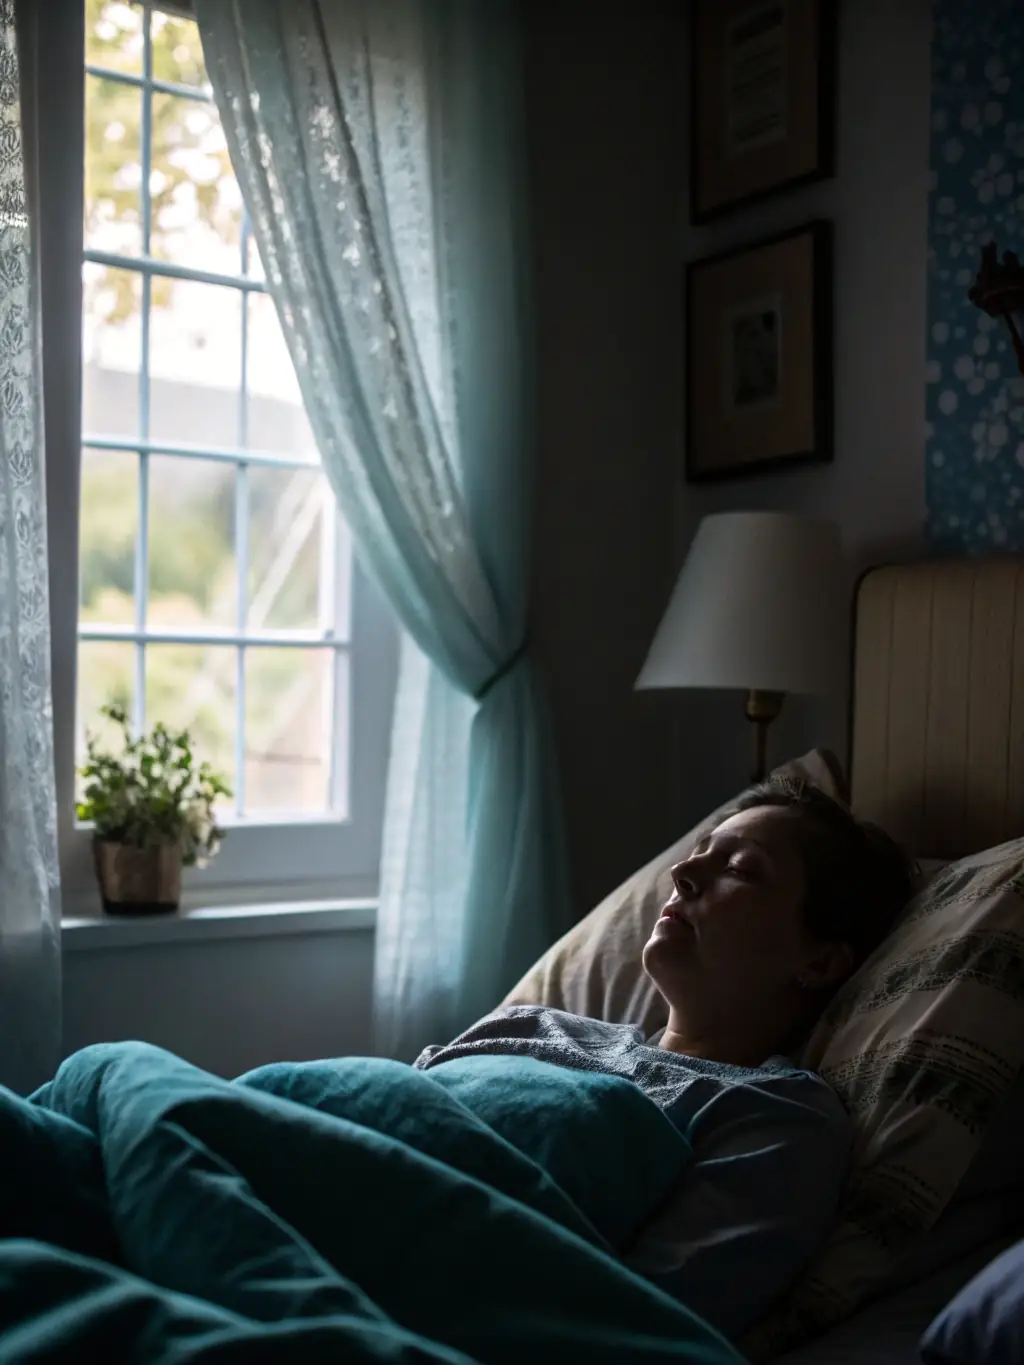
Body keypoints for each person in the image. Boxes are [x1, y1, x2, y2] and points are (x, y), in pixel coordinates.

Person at [415, 778, 916, 1341]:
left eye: (741, 869)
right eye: (700, 852)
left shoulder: (773, 1116)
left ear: (820, 963)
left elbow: (632, 1326)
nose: (683, 873)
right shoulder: (531, 1024)